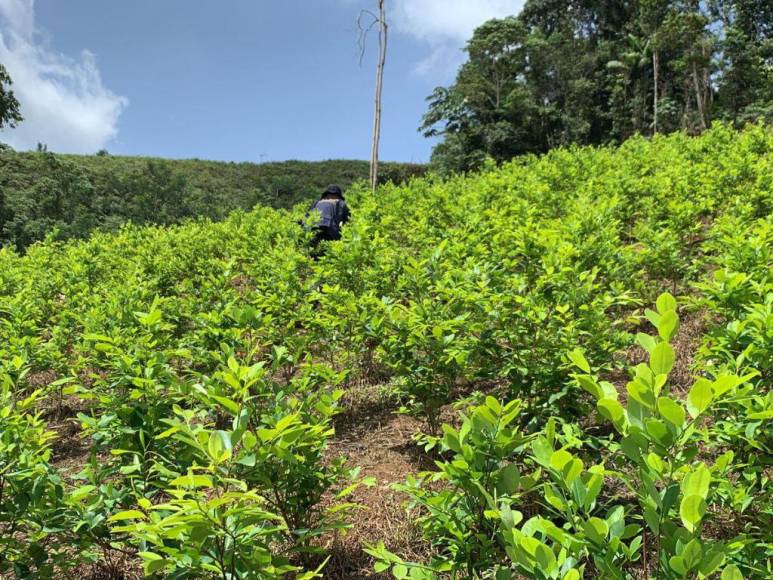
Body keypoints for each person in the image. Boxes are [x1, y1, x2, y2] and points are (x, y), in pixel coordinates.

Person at [304, 185, 350, 256]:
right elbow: (348, 221)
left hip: (313, 229)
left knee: (313, 253)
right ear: (339, 196)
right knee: (329, 255)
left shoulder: (317, 202)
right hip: (329, 230)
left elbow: (306, 218)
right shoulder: (341, 203)